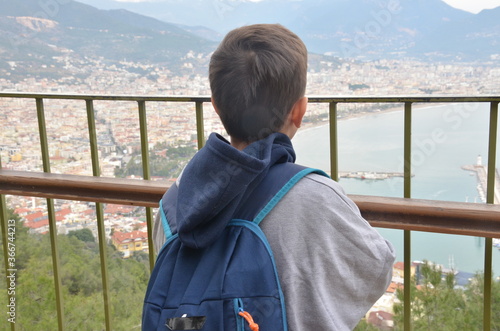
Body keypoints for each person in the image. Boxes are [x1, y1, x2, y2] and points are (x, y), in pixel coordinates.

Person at [152, 23, 395, 330]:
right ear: (299, 111)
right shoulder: (314, 197)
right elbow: (376, 266)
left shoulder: (174, 203)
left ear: (216, 106)